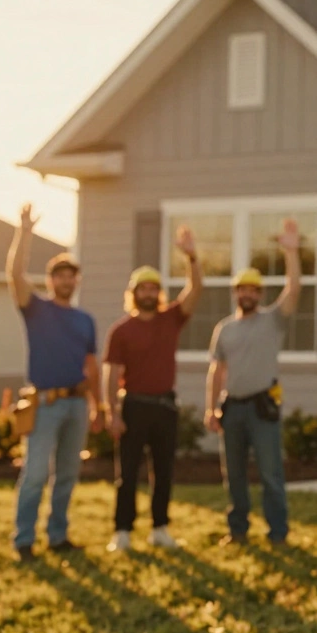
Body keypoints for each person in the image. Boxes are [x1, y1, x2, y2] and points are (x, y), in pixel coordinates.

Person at [6, 203, 103, 562]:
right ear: (51, 281)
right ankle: (24, 540)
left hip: (78, 404)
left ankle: (58, 535)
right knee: (34, 475)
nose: (66, 280)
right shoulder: (35, 309)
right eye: (59, 275)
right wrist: (25, 231)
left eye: (71, 275)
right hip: (45, 404)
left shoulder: (85, 321)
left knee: (67, 475)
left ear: (76, 281)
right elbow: (15, 274)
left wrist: (98, 406)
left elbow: (92, 365)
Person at [102, 226, 203, 552]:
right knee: (127, 473)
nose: (148, 292)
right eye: (142, 288)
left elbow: (196, 288)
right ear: (133, 293)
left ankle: (159, 528)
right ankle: (122, 531)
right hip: (132, 405)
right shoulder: (121, 331)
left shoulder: (171, 319)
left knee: (163, 471)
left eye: (153, 288)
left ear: (158, 292)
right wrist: (112, 413)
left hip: (165, 407)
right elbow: (111, 373)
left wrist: (191, 256)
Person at [204, 218, 301, 546]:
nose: (247, 293)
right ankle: (238, 531)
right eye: (241, 289)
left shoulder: (273, 320)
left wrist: (291, 252)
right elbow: (217, 371)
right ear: (235, 294)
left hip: (263, 408)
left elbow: (294, 289)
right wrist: (211, 408)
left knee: (271, 475)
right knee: (234, 476)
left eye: (252, 289)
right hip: (232, 409)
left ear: (259, 294)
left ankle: (278, 533)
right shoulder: (224, 329)